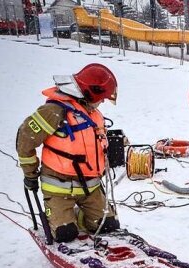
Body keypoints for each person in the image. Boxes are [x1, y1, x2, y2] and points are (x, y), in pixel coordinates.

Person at [16, 63, 120, 243]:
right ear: (90, 92)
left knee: (108, 225)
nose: (102, 102)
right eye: (101, 97)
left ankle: (78, 216)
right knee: (66, 234)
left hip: (90, 187)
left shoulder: (93, 114)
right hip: (58, 186)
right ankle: (62, 218)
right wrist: (30, 174)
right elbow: (26, 139)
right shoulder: (54, 111)